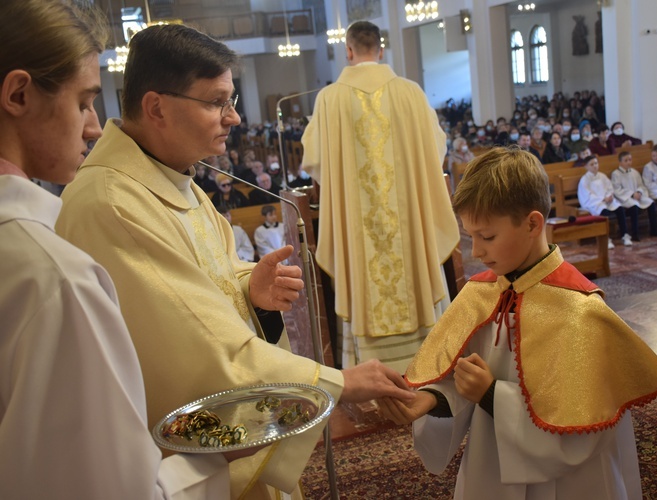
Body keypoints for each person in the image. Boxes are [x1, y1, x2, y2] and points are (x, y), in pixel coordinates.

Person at [55, 23, 414, 499]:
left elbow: (201, 282)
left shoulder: (171, 182)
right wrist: (335, 382)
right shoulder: (113, 204)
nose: (234, 117)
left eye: (233, 101)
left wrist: (249, 288)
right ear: (156, 106)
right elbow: (199, 342)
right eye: (217, 101)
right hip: (175, 464)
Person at [0, 1, 272, 497]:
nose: (92, 125)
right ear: (18, 93)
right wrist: (221, 453)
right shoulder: (61, 268)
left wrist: (250, 285)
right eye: (84, 101)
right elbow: (108, 486)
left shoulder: (183, 185)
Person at [378, 148, 657, 499]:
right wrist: (430, 400)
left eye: (487, 237)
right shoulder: (480, 295)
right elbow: (456, 376)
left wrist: (491, 394)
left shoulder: (579, 312)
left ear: (533, 223)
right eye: (470, 235)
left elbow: (581, 432)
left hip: (571, 485)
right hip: (493, 464)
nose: (476, 251)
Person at [301, 21, 460, 372]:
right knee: (418, 275)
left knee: (362, 276)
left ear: (348, 50)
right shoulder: (410, 92)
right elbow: (436, 148)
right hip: (408, 231)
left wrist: (345, 181)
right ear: (381, 49)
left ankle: (369, 368)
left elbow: (313, 158)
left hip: (360, 236)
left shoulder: (329, 99)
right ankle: (426, 359)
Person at [577, 155, 630, 248]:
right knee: (604, 212)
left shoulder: (602, 176)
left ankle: (625, 235)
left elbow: (610, 188)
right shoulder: (584, 180)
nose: (594, 166)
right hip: (595, 203)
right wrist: (602, 199)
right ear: (586, 166)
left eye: (596, 163)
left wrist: (609, 196)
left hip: (607, 201)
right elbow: (587, 195)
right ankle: (606, 238)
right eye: (592, 164)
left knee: (620, 209)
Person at [611, 151, 657, 239]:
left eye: (630, 160)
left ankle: (654, 230)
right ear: (620, 162)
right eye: (625, 160)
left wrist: (639, 192)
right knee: (634, 206)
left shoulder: (634, 172)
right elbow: (617, 190)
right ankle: (635, 233)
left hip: (637, 196)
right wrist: (631, 194)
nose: (628, 162)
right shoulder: (616, 174)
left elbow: (640, 185)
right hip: (625, 199)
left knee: (651, 203)